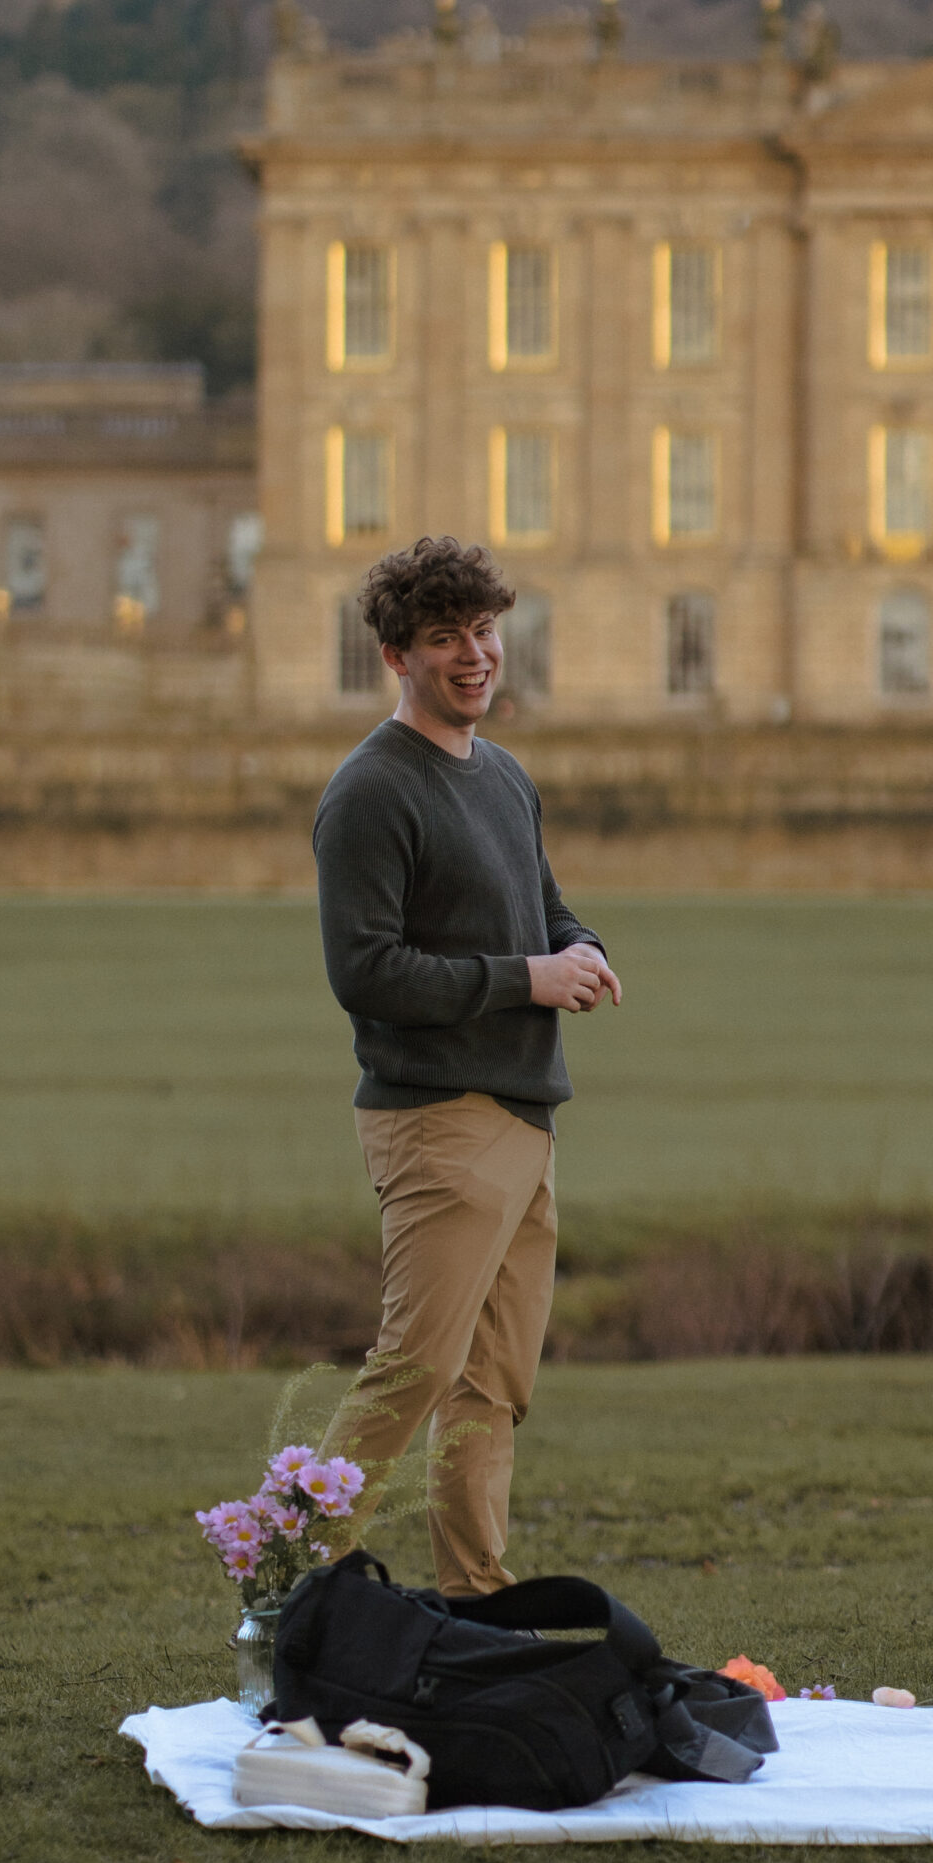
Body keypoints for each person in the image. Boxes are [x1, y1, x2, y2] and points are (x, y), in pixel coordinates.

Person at [312, 536, 620, 1602]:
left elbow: (546, 908)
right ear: (396, 655)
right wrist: (525, 978)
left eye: (485, 631)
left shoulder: (503, 777)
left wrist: (583, 950)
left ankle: (475, 1603)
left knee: (493, 1387)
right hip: (434, 1118)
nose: (475, 655)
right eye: (446, 638)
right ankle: (280, 1585)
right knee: (412, 1374)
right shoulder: (370, 793)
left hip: (525, 1116)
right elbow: (367, 971)